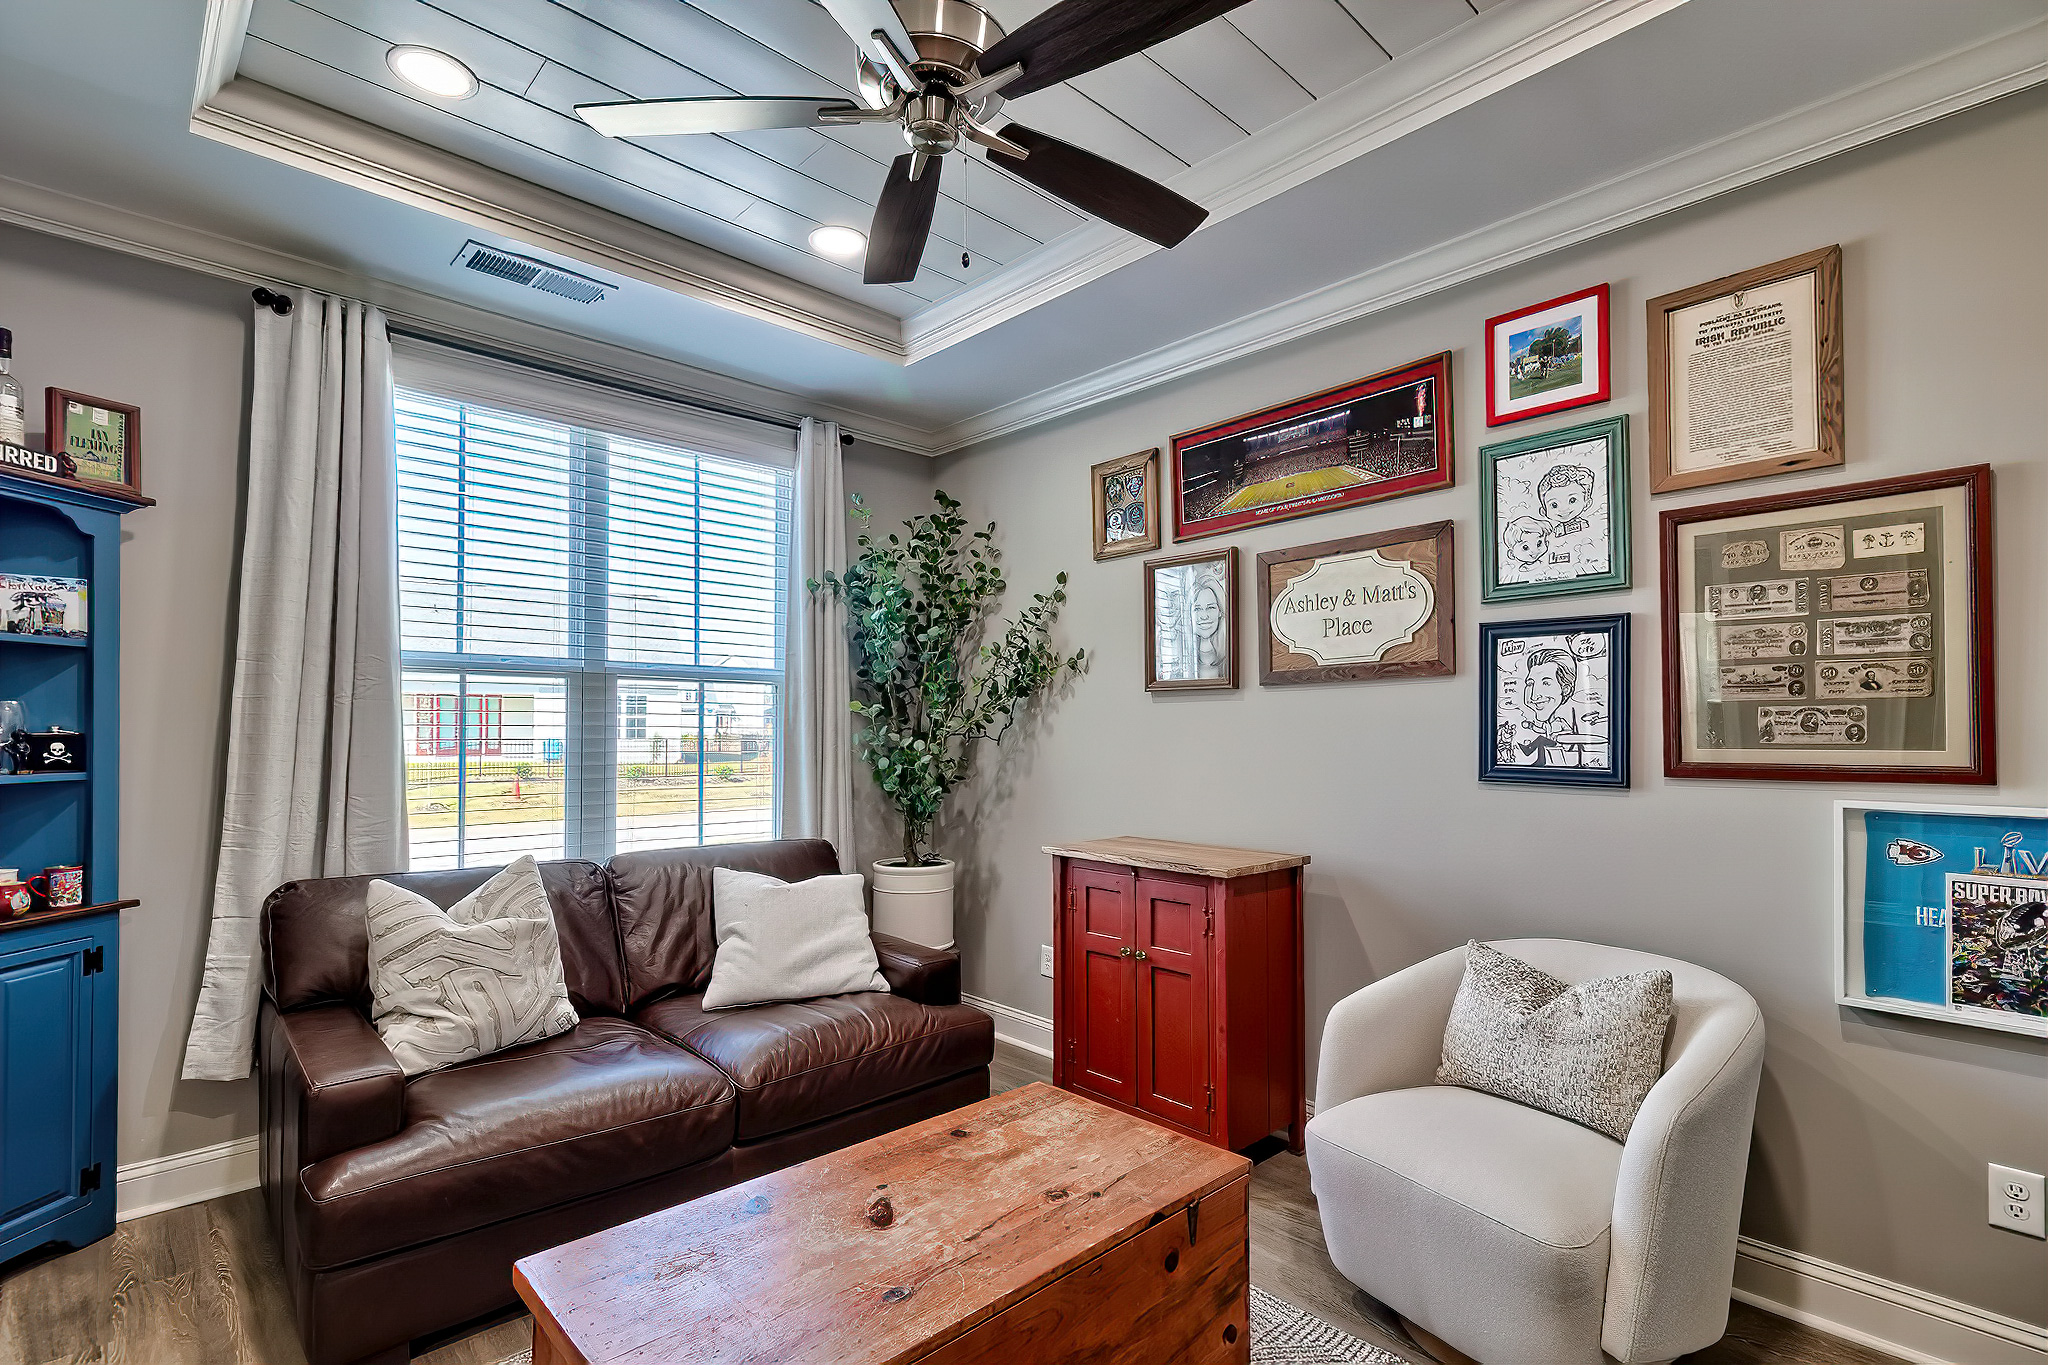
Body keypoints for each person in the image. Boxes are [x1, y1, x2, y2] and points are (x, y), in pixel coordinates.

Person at [1536, 464, 1597, 537]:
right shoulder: (1551, 531)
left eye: (1572, 500)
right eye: (1554, 505)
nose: (1564, 508)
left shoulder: (1584, 526)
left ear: (1587, 503)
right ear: (1543, 511)